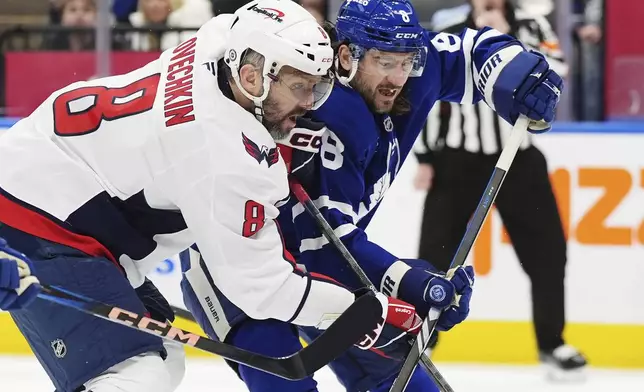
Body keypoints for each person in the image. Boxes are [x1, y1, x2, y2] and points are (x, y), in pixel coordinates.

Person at [0, 1, 412, 391]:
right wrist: (363, 313)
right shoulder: (222, 157)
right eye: (300, 87)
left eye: (316, 87)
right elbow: (263, 287)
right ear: (251, 79)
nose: (309, 104)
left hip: (46, 175)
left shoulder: (218, 38)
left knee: (161, 355)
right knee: (140, 371)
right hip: (39, 216)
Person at [180, 0, 564, 391]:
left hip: (321, 266)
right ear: (346, 56)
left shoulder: (412, 72)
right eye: (384, 62)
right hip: (236, 266)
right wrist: (407, 281)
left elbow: (469, 51)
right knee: (286, 381)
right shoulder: (323, 115)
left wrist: (516, 72)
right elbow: (322, 247)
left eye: (405, 61)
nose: (398, 77)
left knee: (405, 384)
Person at [413, 0, 587, 380]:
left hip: (519, 159)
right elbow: (427, 90)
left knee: (548, 253)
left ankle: (551, 342)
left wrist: (507, 44)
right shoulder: (450, 24)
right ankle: (422, 342)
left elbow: (558, 71)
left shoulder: (532, 24)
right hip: (458, 159)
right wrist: (425, 156)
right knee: (435, 257)